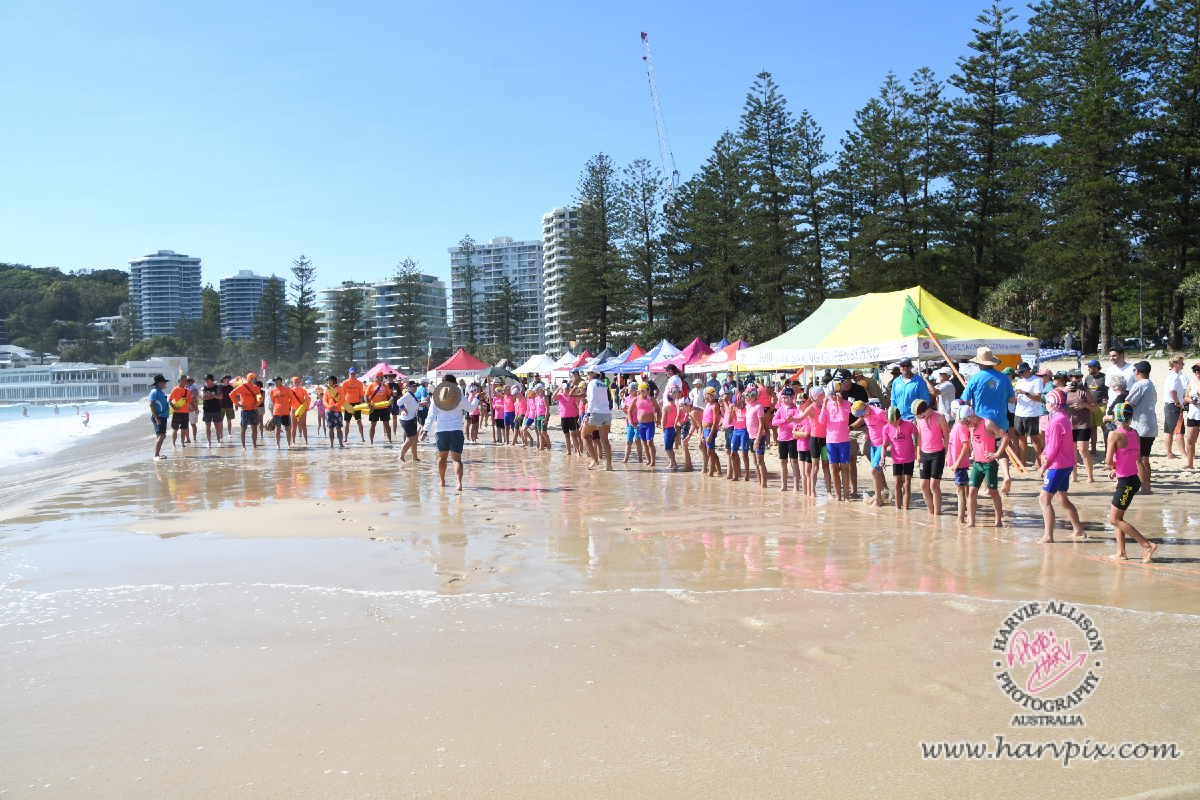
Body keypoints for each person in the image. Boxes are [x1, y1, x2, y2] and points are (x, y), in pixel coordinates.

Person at [1106, 402, 1157, 563]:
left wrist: (1113, 466)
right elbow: (1134, 457)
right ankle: (1121, 552)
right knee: (1118, 517)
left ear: (1115, 417)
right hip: (1132, 479)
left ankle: (1147, 545)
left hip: (1126, 482)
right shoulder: (1134, 432)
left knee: (1114, 520)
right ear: (1131, 417)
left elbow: (1108, 460)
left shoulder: (1114, 434)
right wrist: (1117, 468)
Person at [960, 347, 1016, 493]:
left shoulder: (974, 378)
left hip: (981, 422)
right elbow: (1011, 400)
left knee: (982, 453)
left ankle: (986, 488)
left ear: (979, 363)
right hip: (1000, 419)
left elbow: (965, 401)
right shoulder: (1004, 378)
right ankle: (1006, 475)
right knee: (1001, 450)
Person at [1038, 389, 1086, 543]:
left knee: (1044, 499)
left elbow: (1053, 447)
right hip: (1067, 464)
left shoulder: (1055, 422)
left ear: (1054, 404)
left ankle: (1048, 536)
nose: (1045, 404)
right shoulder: (1064, 417)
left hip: (1057, 466)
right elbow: (1052, 445)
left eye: (1047, 402)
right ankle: (1078, 530)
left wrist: (1044, 465)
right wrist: (1044, 455)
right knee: (1062, 498)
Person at [965, 406, 1010, 528]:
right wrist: (973, 452)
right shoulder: (971, 426)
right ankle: (971, 522)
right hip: (977, 464)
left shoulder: (987, 423)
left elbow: (1006, 437)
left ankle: (998, 521)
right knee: (971, 491)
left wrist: (997, 454)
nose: (966, 426)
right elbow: (975, 441)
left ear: (972, 416)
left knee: (993, 492)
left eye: (967, 423)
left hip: (989, 464)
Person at [427, 375, 472, 491]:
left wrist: (425, 430)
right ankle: (459, 483)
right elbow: (471, 409)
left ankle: (442, 481)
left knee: (442, 458)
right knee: (457, 459)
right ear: (454, 385)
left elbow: (431, 415)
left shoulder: (436, 398)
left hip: (441, 431)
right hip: (456, 430)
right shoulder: (460, 397)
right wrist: (477, 398)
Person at [1124, 361, 1158, 495]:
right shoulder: (1150, 384)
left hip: (1141, 427)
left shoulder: (1139, 385)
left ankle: (1143, 488)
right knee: (1145, 458)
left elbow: (1128, 403)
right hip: (1151, 426)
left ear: (1137, 371)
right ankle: (1147, 486)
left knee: (1137, 459)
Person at [914, 399, 949, 516]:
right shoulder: (919, 420)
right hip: (924, 453)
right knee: (923, 485)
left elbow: (946, 436)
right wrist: (918, 453)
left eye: (922, 416)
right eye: (919, 417)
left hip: (937, 454)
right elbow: (920, 437)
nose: (921, 418)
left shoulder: (939, 417)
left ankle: (937, 514)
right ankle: (931, 512)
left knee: (934, 485)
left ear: (927, 410)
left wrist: (948, 454)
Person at [852, 399, 890, 506]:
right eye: (860, 416)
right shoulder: (865, 415)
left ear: (865, 408)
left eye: (862, 415)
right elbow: (874, 426)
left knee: (873, 470)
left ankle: (878, 500)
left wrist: (892, 442)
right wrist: (868, 434)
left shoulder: (879, 412)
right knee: (876, 471)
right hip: (874, 445)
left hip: (883, 445)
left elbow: (892, 424)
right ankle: (880, 495)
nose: (862, 417)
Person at [818, 385, 853, 500]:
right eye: (830, 393)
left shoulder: (846, 403)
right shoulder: (827, 405)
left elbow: (843, 418)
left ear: (839, 392)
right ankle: (838, 497)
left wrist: (840, 403)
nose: (832, 396)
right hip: (831, 441)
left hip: (843, 440)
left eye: (834, 393)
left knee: (844, 468)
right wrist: (823, 406)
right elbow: (821, 421)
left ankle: (846, 497)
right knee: (834, 469)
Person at [1063, 369, 1097, 483]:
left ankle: (1090, 477)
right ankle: (1074, 477)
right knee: (1072, 452)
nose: (1078, 379)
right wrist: (1064, 392)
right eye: (1076, 377)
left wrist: (1084, 405)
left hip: (1083, 424)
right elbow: (1053, 403)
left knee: (1083, 450)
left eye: (1080, 377)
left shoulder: (1084, 390)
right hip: (1069, 425)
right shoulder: (1064, 390)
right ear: (1070, 378)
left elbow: (1095, 406)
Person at [883, 407, 917, 510]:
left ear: (899, 418)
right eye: (890, 422)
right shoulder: (886, 428)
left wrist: (917, 452)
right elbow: (884, 445)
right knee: (897, 483)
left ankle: (906, 509)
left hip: (909, 458)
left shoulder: (908, 424)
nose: (893, 424)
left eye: (895, 422)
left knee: (906, 483)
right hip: (896, 459)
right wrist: (882, 458)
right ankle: (898, 509)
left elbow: (918, 436)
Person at [1012, 363, 1044, 468]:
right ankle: (1023, 461)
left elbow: (1038, 398)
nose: (1021, 374)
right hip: (1019, 412)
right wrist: (1014, 397)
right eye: (1019, 373)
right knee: (1021, 437)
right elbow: (1015, 398)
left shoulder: (1037, 381)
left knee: (1034, 437)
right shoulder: (1019, 381)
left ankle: (1038, 462)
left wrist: (1025, 393)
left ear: (1027, 370)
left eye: (1022, 372)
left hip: (1031, 413)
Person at [582, 368, 613, 471]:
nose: (587, 375)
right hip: (607, 413)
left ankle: (595, 460)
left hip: (596, 413)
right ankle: (609, 466)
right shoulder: (603, 384)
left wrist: (587, 414)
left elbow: (592, 401)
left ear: (594, 373)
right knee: (605, 441)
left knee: (584, 436)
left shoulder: (592, 384)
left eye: (588, 373)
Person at [772, 387, 802, 491]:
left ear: (792, 397)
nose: (784, 400)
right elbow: (774, 422)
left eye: (786, 397)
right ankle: (783, 486)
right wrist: (785, 421)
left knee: (794, 462)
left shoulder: (796, 409)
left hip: (792, 439)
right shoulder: (781, 409)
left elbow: (796, 424)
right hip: (781, 439)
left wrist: (785, 423)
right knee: (783, 463)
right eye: (783, 398)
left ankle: (796, 487)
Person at [949, 405, 972, 524]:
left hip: (960, 464)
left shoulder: (961, 427)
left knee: (960, 491)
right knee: (964, 489)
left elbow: (965, 446)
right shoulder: (956, 426)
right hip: (958, 463)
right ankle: (968, 515)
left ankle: (961, 518)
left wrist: (957, 463)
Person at [1163, 355, 1187, 459]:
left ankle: (1169, 453)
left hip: (1168, 405)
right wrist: (1178, 403)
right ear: (1175, 364)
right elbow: (1172, 391)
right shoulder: (1175, 376)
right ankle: (1183, 454)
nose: (1183, 364)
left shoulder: (1170, 375)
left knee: (1169, 431)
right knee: (1179, 430)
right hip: (1173, 406)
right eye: (1181, 363)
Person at [230, 373, 262, 449]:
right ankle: (243, 446)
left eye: (256, 378)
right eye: (254, 378)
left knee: (254, 427)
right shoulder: (242, 386)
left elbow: (259, 398)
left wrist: (256, 404)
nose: (256, 380)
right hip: (245, 410)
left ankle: (254, 445)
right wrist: (237, 404)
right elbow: (231, 394)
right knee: (243, 428)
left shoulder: (256, 387)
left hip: (253, 410)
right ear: (250, 379)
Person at [745, 386, 768, 487]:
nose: (747, 397)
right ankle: (760, 484)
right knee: (755, 461)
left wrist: (758, 439)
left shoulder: (758, 407)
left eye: (749, 396)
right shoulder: (748, 406)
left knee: (760, 461)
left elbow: (761, 425)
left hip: (759, 436)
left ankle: (764, 484)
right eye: (746, 396)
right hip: (750, 436)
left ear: (754, 396)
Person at [1083, 359, 1107, 453]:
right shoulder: (1088, 378)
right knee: (1092, 428)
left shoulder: (1104, 377)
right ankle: (1093, 450)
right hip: (1090, 406)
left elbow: (1111, 389)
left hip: (1101, 405)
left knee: (1104, 428)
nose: (1088, 368)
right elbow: (1085, 390)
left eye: (1090, 367)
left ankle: (1107, 450)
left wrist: (1107, 399)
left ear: (1096, 367)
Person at [364, 373, 393, 445]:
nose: (382, 378)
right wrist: (368, 404)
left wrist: (392, 399)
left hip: (384, 408)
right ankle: (371, 441)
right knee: (373, 424)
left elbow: (390, 395)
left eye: (383, 377)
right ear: (376, 377)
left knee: (386, 424)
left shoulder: (385, 385)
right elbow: (366, 396)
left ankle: (390, 440)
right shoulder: (371, 385)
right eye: (381, 377)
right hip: (374, 408)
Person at [395, 380, 420, 461]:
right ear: (408, 387)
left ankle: (414, 457)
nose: (415, 388)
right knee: (410, 439)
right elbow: (398, 402)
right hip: (406, 419)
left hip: (412, 418)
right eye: (413, 386)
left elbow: (414, 405)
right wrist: (404, 409)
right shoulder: (408, 395)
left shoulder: (412, 395)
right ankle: (401, 456)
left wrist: (423, 403)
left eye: (416, 386)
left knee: (415, 439)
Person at [268, 376, 295, 448]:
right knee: (277, 428)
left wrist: (288, 406)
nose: (276, 382)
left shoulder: (287, 389)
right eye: (275, 381)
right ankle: (278, 444)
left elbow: (292, 399)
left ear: (281, 381)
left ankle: (288, 444)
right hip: (277, 412)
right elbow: (273, 401)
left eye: (277, 381)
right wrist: (277, 407)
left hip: (286, 412)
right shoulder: (272, 391)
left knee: (287, 428)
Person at [341, 368, 366, 442]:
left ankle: (362, 438)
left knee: (359, 421)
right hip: (348, 403)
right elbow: (343, 394)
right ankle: (345, 438)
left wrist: (359, 401)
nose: (353, 375)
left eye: (354, 373)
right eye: (352, 374)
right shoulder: (345, 383)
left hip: (356, 404)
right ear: (349, 374)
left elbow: (361, 395)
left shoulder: (359, 383)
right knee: (347, 422)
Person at [556, 380, 581, 455]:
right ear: (563, 389)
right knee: (566, 435)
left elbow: (576, 407)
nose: (568, 390)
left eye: (568, 388)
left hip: (572, 417)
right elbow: (553, 396)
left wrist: (579, 417)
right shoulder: (560, 396)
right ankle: (568, 451)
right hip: (564, 417)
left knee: (574, 434)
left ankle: (578, 451)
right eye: (566, 389)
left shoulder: (572, 396)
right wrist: (558, 389)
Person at [199, 374, 224, 447]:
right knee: (207, 426)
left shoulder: (217, 387)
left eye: (207, 379)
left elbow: (221, 396)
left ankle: (218, 441)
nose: (206, 381)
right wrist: (213, 397)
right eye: (205, 379)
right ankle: (209, 442)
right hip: (207, 409)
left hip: (216, 409)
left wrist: (211, 396)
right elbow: (203, 397)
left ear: (211, 380)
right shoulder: (203, 388)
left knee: (217, 425)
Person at [148, 374, 169, 459]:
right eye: (164, 382)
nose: (165, 384)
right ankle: (156, 455)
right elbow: (151, 404)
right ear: (160, 383)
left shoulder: (159, 391)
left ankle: (157, 454)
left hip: (162, 416)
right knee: (162, 435)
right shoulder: (155, 391)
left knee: (159, 435)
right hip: (159, 416)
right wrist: (156, 417)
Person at [168, 376, 191, 448]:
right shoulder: (175, 390)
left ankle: (182, 443)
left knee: (184, 429)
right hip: (177, 413)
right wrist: (174, 408)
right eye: (185, 380)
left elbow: (190, 401)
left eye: (186, 380)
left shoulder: (188, 390)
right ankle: (173, 444)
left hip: (185, 412)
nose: (186, 382)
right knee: (175, 429)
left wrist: (195, 409)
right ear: (180, 380)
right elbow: (169, 400)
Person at [323, 375, 344, 449]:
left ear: (334, 381)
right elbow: (324, 401)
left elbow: (342, 400)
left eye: (330, 381)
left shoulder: (340, 389)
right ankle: (331, 444)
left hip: (337, 411)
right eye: (328, 381)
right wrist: (329, 407)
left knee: (338, 428)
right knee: (330, 428)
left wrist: (336, 405)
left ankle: (341, 443)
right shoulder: (327, 390)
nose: (328, 382)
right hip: (329, 411)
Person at [1186, 363, 1200, 470]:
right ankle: (1190, 463)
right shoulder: (1192, 382)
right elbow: (1185, 397)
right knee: (1190, 440)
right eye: (1195, 370)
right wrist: (1191, 401)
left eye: (1199, 370)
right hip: (1193, 415)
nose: (1197, 372)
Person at [290, 377, 311, 445]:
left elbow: (307, 399)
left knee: (303, 426)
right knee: (294, 426)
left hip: (302, 410)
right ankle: (293, 441)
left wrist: (306, 408)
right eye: (295, 382)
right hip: (294, 409)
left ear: (299, 382)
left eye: (297, 382)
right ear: (292, 383)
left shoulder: (303, 390)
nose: (296, 383)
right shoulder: (290, 390)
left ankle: (306, 441)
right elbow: (289, 400)